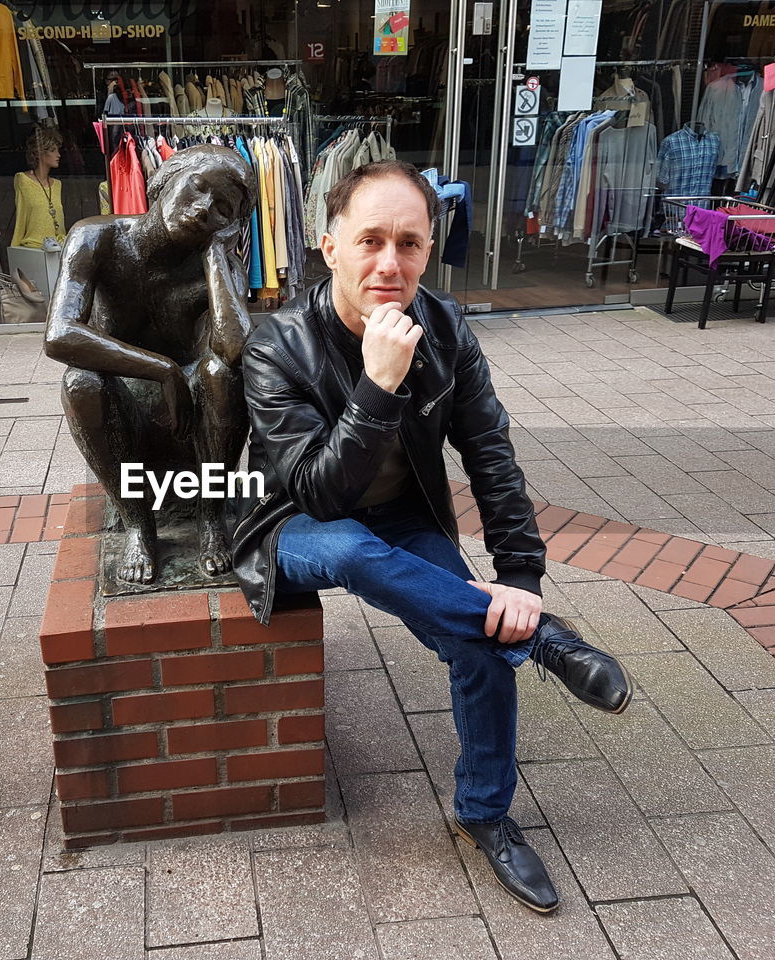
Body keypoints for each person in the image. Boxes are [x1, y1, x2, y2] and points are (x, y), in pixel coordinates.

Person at [231, 161, 632, 913]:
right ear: (328, 246)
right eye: (371, 240)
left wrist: (520, 578)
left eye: (410, 244)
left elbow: (491, 455)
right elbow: (318, 491)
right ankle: (544, 641)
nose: (390, 263)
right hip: (291, 528)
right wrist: (379, 384)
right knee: (351, 548)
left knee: (479, 644)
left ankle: (486, 815)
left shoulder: (447, 328)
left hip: (404, 520)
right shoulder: (275, 346)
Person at [44, 145, 253, 584]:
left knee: (223, 374)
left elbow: (235, 348)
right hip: (125, 402)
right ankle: (139, 523)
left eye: (221, 210)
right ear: (164, 178)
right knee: (80, 381)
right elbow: (60, 334)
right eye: (197, 188)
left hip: (191, 413)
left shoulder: (215, 262)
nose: (202, 211)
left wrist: (216, 256)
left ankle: (210, 517)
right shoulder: (96, 237)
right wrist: (163, 369)